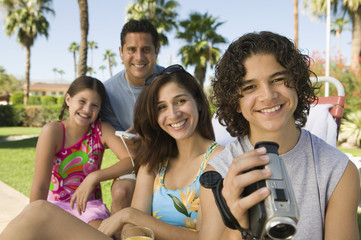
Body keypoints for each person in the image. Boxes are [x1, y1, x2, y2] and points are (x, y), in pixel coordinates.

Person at [0, 65, 223, 240]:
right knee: (37, 211)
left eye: (181, 101)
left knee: (40, 214)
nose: (173, 114)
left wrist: (127, 215)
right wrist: (126, 226)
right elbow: (132, 228)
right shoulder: (155, 161)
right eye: (161, 107)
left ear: (199, 104)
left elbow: (205, 238)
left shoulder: (217, 161)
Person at [199, 31, 360, 240]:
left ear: (297, 84)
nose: (267, 95)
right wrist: (238, 227)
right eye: (250, 87)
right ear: (235, 102)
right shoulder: (218, 173)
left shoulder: (337, 171)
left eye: (278, 79)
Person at [29, 76, 134, 229]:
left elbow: (131, 160)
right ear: (68, 99)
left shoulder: (101, 130)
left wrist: (94, 177)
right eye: (82, 101)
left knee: (101, 235)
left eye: (94, 105)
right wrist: (33, 221)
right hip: (55, 206)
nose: (87, 110)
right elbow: (40, 186)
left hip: (88, 208)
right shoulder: (52, 131)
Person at [100, 19, 163, 214]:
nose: (139, 57)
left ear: (156, 51)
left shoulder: (173, 80)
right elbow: (106, 137)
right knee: (120, 191)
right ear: (121, 52)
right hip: (136, 161)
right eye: (131, 49)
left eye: (146, 49)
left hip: (173, 157)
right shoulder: (107, 92)